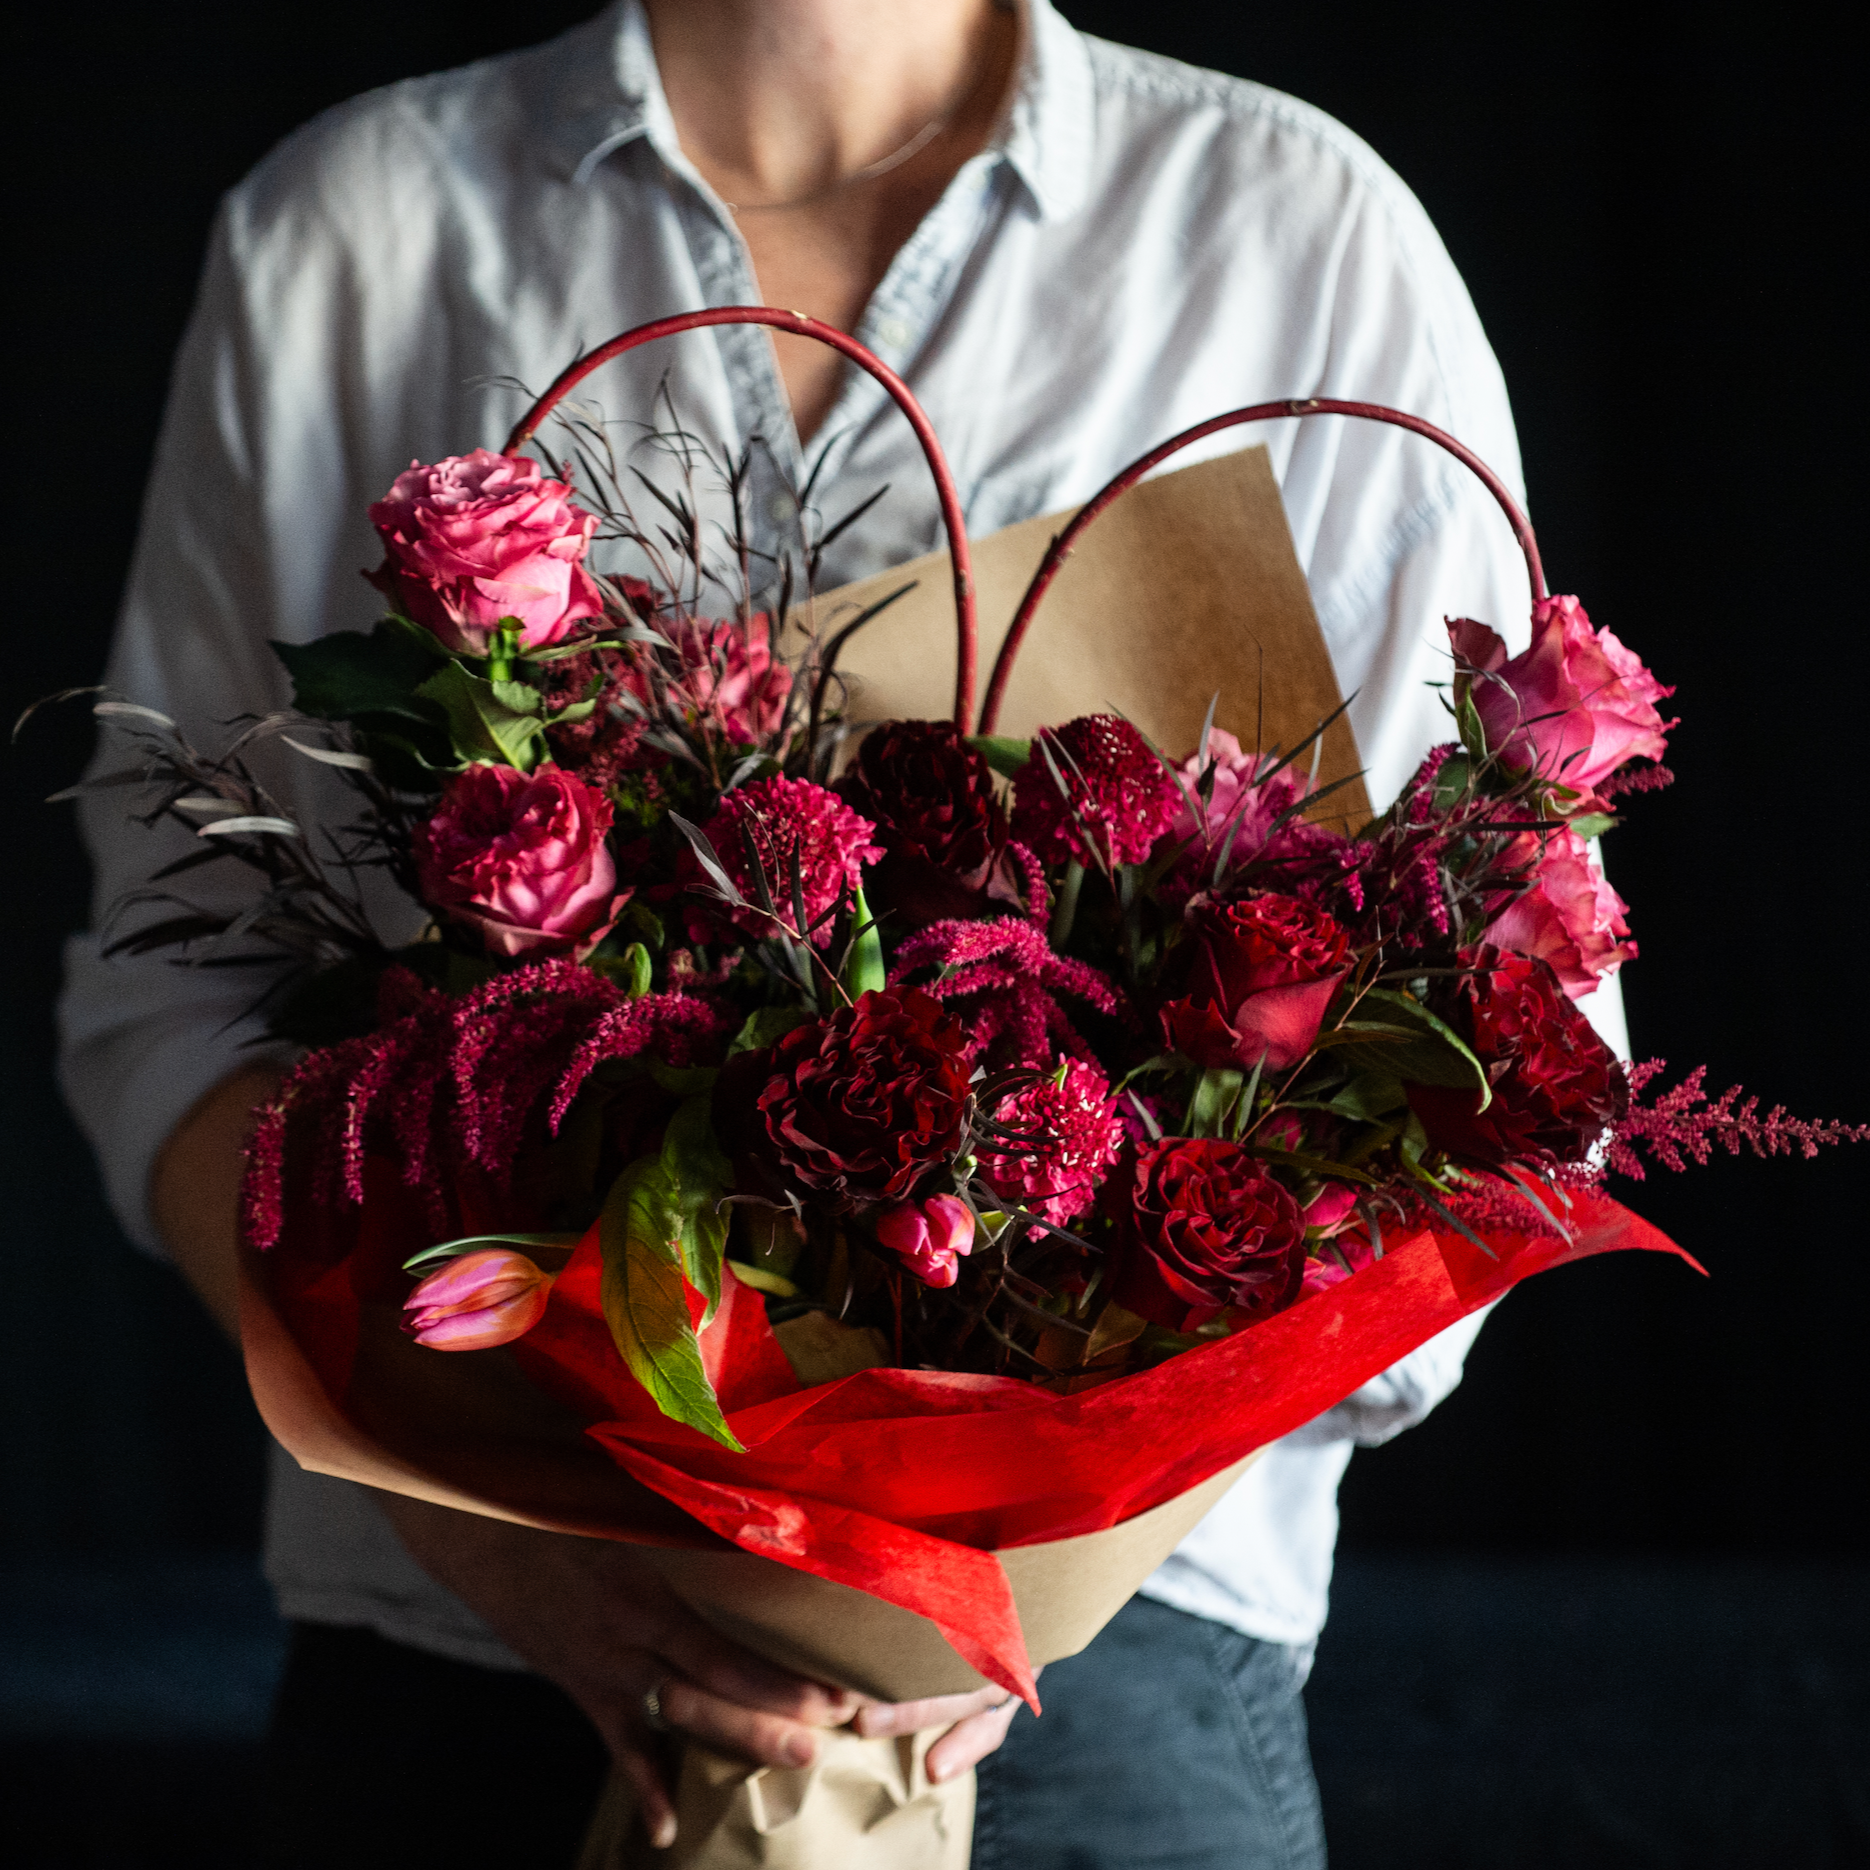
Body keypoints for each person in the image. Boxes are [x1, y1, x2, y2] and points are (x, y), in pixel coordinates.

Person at [59, 1, 1629, 1864]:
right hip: (469, 1650)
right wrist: (484, 1525)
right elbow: (169, 994)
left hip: (1089, 1678)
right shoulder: (355, 231)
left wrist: (1034, 1532)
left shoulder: (1290, 232)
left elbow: (1523, 1045)